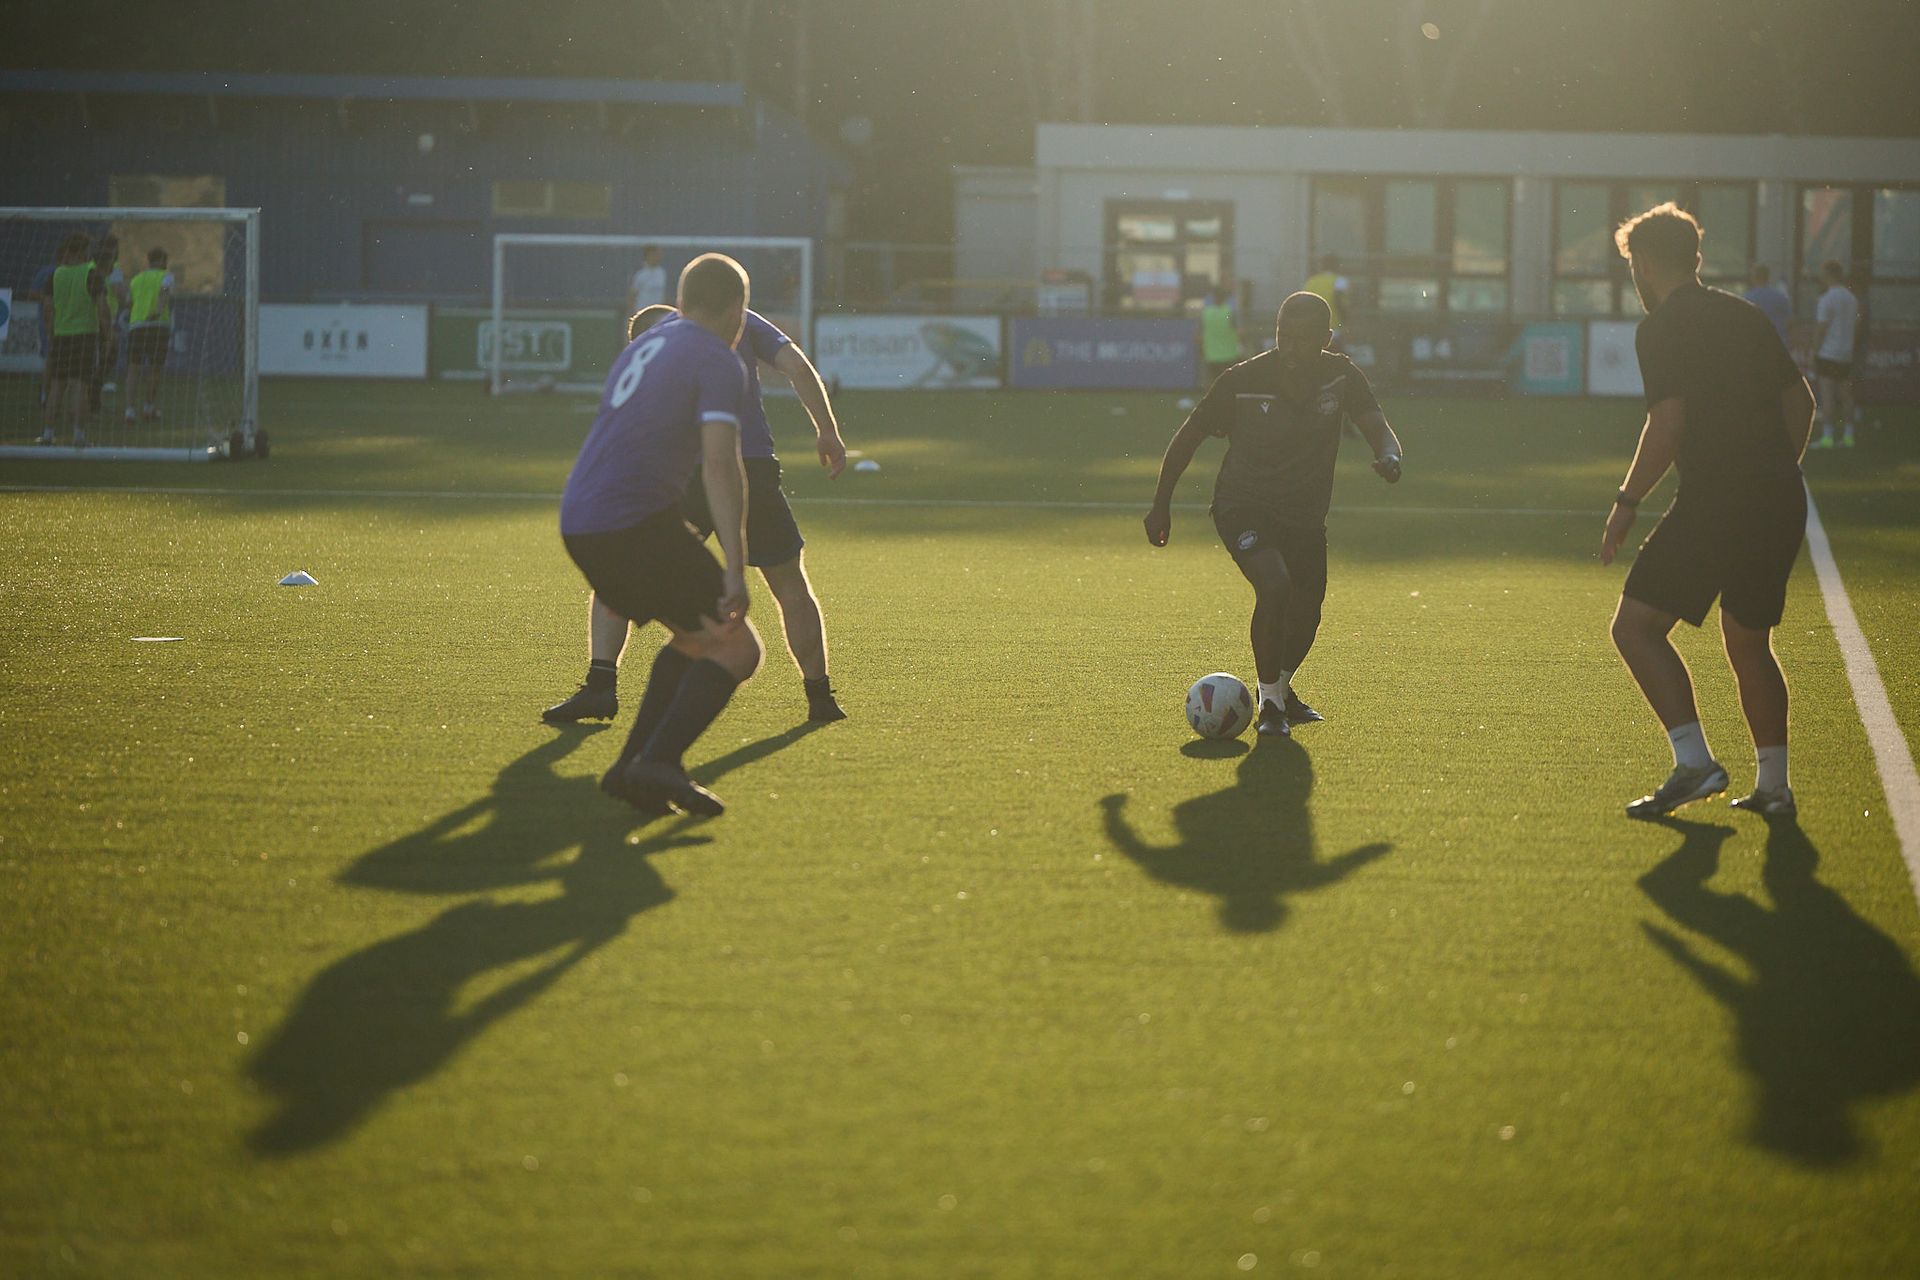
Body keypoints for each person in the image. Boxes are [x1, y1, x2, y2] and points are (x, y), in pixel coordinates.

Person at [1600, 203, 1816, 819]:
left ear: (1644, 263)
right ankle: (1773, 787)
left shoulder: (1662, 327)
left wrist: (1626, 502)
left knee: (1635, 628)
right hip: (1778, 497)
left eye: (1631, 266)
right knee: (1749, 640)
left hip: (1718, 498)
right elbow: (1801, 402)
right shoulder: (1744, 314)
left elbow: (1666, 426)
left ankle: (1694, 764)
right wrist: (1774, 471)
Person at [545, 298, 851, 726]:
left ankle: (600, 684)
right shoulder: (738, 319)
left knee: (624, 571)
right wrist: (827, 431)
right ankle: (819, 698)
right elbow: (797, 366)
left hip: (677, 473)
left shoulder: (651, 347)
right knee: (788, 582)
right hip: (748, 465)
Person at [1142, 291, 1404, 737]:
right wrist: (1160, 504)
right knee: (1276, 587)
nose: (1291, 348)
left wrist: (1390, 456)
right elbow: (1188, 437)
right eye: (1284, 336)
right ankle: (1270, 708)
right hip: (1243, 504)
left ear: (1326, 339)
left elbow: (1378, 427)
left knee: (1308, 611)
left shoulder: (1341, 375)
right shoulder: (1242, 379)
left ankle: (1280, 690)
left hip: (1304, 516)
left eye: (1304, 339)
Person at [559, 252, 763, 818]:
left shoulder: (648, 342)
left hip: (583, 519)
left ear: (680, 301)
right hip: (630, 523)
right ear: (737, 309)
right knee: (737, 646)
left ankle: (632, 771)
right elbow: (720, 466)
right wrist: (734, 566)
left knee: (696, 639)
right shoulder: (718, 359)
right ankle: (658, 762)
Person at [38, 231, 109, 447]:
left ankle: (48, 434)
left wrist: (51, 333)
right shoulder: (92, 274)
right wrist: (108, 333)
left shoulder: (55, 275)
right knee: (80, 386)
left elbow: (47, 309)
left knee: (57, 386)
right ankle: (78, 436)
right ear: (83, 251)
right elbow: (102, 307)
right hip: (84, 336)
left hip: (61, 336)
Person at [1809, 260, 1859, 450]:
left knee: (1827, 396)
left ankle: (1827, 437)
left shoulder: (1826, 299)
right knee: (1847, 397)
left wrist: (1814, 352)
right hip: (1845, 353)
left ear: (1829, 274)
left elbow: (1821, 329)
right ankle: (1848, 435)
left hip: (1828, 353)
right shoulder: (1851, 298)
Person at [125, 247, 174, 423]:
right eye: (165, 260)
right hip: (158, 326)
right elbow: (164, 292)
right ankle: (148, 408)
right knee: (155, 368)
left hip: (137, 325)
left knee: (133, 368)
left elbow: (128, 302)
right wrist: (158, 310)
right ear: (160, 260)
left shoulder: (136, 279)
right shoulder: (166, 276)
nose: (166, 264)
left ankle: (129, 411)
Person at [1302, 255, 1350, 347]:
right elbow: (1339, 303)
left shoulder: (1311, 281)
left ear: (1322, 266)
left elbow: (1304, 304)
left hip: (1312, 327)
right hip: (1334, 327)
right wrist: (1345, 323)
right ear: (1337, 266)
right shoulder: (1339, 281)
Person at [1199, 284, 1243, 385]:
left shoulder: (1206, 313)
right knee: (1229, 385)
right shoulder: (1230, 312)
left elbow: (1198, 336)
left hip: (1211, 356)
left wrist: (1201, 350)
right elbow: (1241, 332)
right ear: (1225, 298)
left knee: (1213, 385)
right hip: (1230, 355)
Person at [1742, 264, 1792, 347]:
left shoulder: (1748, 298)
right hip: (1778, 342)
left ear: (1754, 278)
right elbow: (1790, 322)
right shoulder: (1780, 297)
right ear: (1768, 277)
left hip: (1756, 343)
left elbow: (1744, 323)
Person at [626, 245, 668, 317]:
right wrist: (632, 313)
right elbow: (632, 294)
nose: (656, 257)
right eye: (654, 255)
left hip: (657, 313)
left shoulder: (661, 273)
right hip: (642, 312)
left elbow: (663, 293)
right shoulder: (640, 274)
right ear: (648, 256)